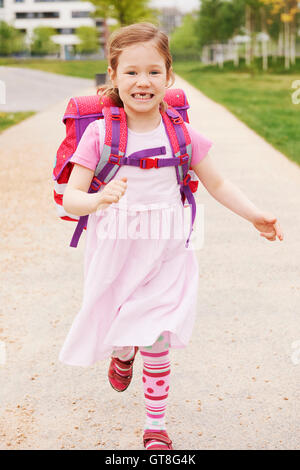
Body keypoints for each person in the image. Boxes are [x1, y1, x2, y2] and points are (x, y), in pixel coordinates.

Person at [59, 22, 284, 450]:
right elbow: (71, 199)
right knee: (125, 329)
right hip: (115, 249)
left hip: (167, 250)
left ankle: (155, 427)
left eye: (153, 72)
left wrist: (254, 214)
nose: (142, 82)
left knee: (158, 335)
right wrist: (99, 198)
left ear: (169, 75)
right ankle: (123, 354)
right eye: (131, 72)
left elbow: (218, 184)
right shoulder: (100, 134)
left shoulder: (181, 133)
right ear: (113, 75)